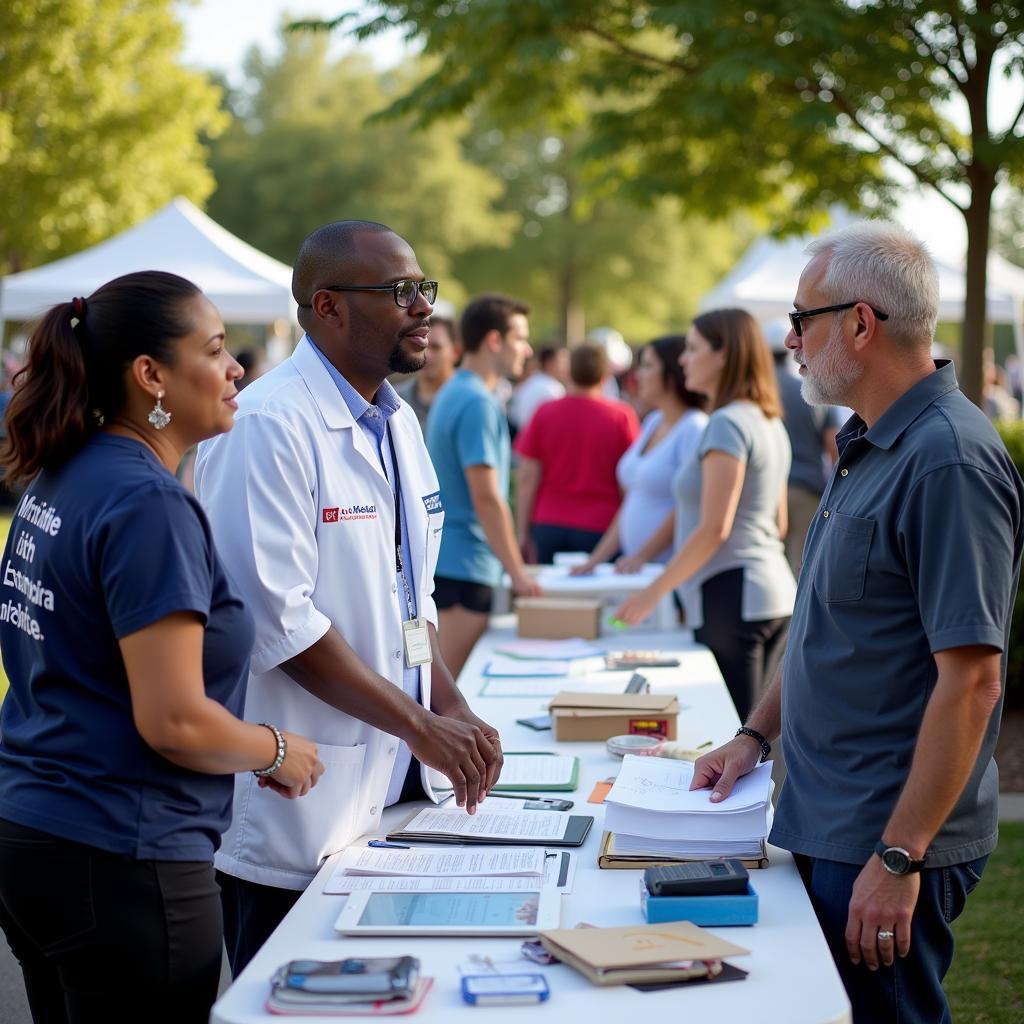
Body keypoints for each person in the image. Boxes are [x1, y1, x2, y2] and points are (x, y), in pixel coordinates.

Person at [690, 222, 1023, 1024]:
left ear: (861, 324)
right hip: (832, 817)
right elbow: (825, 629)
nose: (791, 341)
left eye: (802, 320)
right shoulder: (869, 440)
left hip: (882, 834)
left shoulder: (948, 459)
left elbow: (974, 682)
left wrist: (899, 856)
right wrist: (754, 737)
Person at [0, 272, 322, 1024]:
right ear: (151, 375)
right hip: (121, 858)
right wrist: (274, 749)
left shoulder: (69, 471)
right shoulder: (147, 502)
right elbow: (174, 721)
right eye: (214, 350)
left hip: (39, 833)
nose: (237, 367)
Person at [195, 222, 503, 975]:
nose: (424, 308)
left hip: (395, 796)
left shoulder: (399, 423)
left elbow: (411, 600)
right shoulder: (267, 426)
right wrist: (422, 724)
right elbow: (280, 622)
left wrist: (448, 699)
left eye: (424, 289)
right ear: (327, 307)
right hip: (301, 809)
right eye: (401, 293)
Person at [614, 309, 796, 720]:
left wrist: (652, 592)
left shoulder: (727, 424)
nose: (683, 359)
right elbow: (778, 524)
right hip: (768, 592)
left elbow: (715, 527)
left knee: (735, 734)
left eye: (693, 349)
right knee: (748, 732)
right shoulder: (766, 420)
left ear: (723, 355)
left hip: (732, 593)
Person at [426, 293, 542, 677]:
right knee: (445, 694)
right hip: (466, 565)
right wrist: (518, 573)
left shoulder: (458, 390)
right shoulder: (477, 401)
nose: (526, 350)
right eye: (519, 338)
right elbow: (487, 496)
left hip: (454, 560)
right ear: (494, 340)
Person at [572, 335, 708, 575]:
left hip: (666, 573)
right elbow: (633, 499)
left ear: (671, 372)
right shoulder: (654, 421)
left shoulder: (694, 427)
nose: (637, 376)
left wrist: (643, 555)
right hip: (638, 570)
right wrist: (596, 560)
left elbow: (686, 504)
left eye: (647, 366)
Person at [514, 343, 640, 564]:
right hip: (602, 526)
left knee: (549, 597)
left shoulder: (545, 412)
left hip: (549, 523)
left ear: (569, 372)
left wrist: (522, 532)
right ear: (604, 375)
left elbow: (527, 476)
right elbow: (629, 479)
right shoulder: (621, 417)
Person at [765, 320, 843, 574]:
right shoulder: (810, 389)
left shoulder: (761, 393)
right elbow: (833, 445)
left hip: (769, 489)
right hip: (808, 489)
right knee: (801, 567)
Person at [394, 315, 461, 431]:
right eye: (421, 344)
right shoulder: (394, 401)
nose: (426, 354)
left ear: (455, 352)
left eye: (436, 347)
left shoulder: (468, 402)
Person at [507, 345, 567, 434]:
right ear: (549, 363)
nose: (566, 366)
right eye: (562, 361)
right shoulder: (553, 389)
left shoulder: (530, 381)